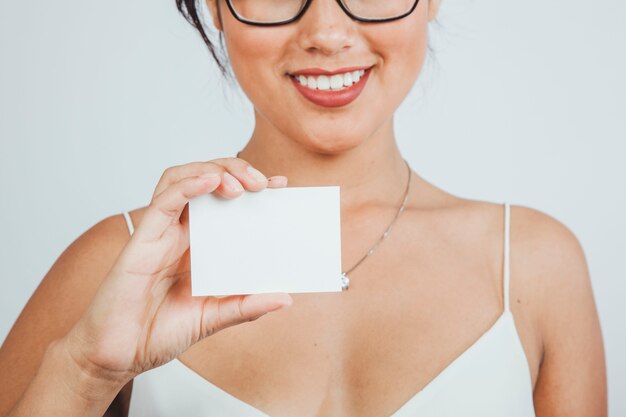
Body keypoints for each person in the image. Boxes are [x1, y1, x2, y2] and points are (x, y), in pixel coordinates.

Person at [0, 0, 607, 416]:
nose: (327, 32)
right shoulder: (121, 263)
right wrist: (83, 373)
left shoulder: (532, 263)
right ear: (215, 4)